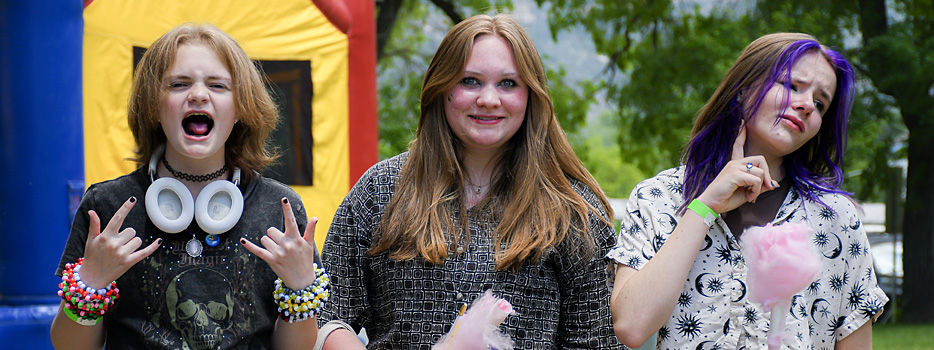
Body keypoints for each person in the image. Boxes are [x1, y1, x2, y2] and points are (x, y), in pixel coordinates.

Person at [315, 13, 623, 349]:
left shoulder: (572, 210)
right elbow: (328, 314)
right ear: (442, 88)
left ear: (531, 96)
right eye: (470, 81)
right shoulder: (380, 190)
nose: (489, 99)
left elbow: (598, 342)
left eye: (508, 83)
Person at [50, 23, 324, 349]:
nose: (197, 94)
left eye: (217, 85)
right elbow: (70, 346)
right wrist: (90, 283)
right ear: (153, 105)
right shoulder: (107, 207)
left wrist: (300, 286)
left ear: (240, 108)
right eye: (179, 84)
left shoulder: (279, 208)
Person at [607, 33, 889, 349]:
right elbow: (631, 327)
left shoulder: (835, 219)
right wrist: (705, 206)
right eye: (792, 86)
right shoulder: (659, 197)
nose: (807, 105)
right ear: (743, 87)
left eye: (821, 103)